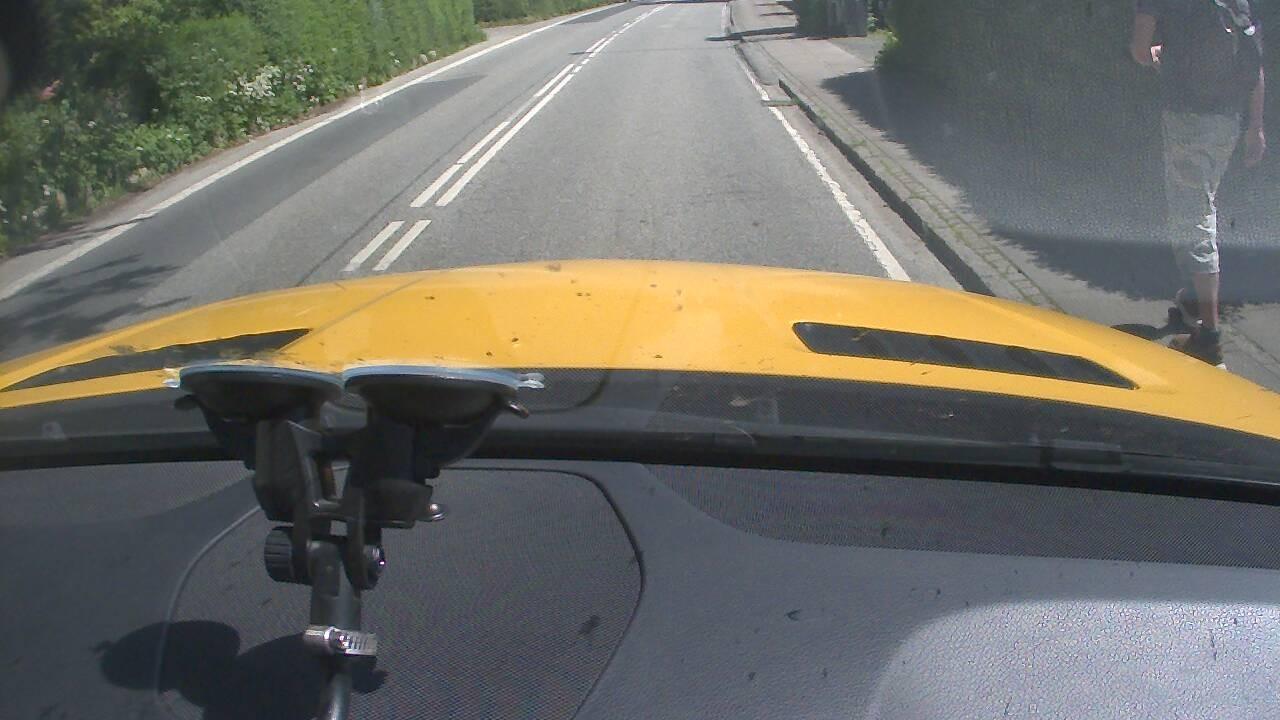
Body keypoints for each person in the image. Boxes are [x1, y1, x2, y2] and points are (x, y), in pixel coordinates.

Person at [1130, 0, 1266, 368]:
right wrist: (1255, 127)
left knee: (1195, 217)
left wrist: (1157, 55)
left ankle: (1209, 338)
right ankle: (1192, 303)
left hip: (1188, 118)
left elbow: (1140, 50)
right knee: (1195, 207)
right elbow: (1254, 64)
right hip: (1228, 120)